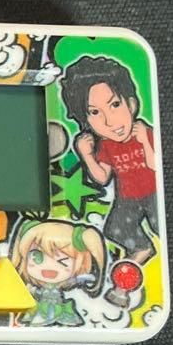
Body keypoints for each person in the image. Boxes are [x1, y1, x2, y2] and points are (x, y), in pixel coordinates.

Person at [61, 56, 157, 304]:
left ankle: (135, 261)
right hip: (129, 198)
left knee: (162, 224)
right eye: (94, 112)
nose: (108, 120)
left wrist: (145, 141)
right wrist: (86, 154)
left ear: (131, 105)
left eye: (114, 105)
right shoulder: (106, 146)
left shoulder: (145, 132)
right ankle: (141, 250)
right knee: (114, 228)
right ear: (86, 121)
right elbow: (102, 177)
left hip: (153, 194)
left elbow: (155, 166)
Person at [10, 220, 106, 327]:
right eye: (37, 258)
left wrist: (86, 279)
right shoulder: (33, 289)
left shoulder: (72, 285)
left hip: (60, 309)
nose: (49, 268)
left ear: (81, 263)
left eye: (63, 262)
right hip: (41, 309)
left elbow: (80, 280)